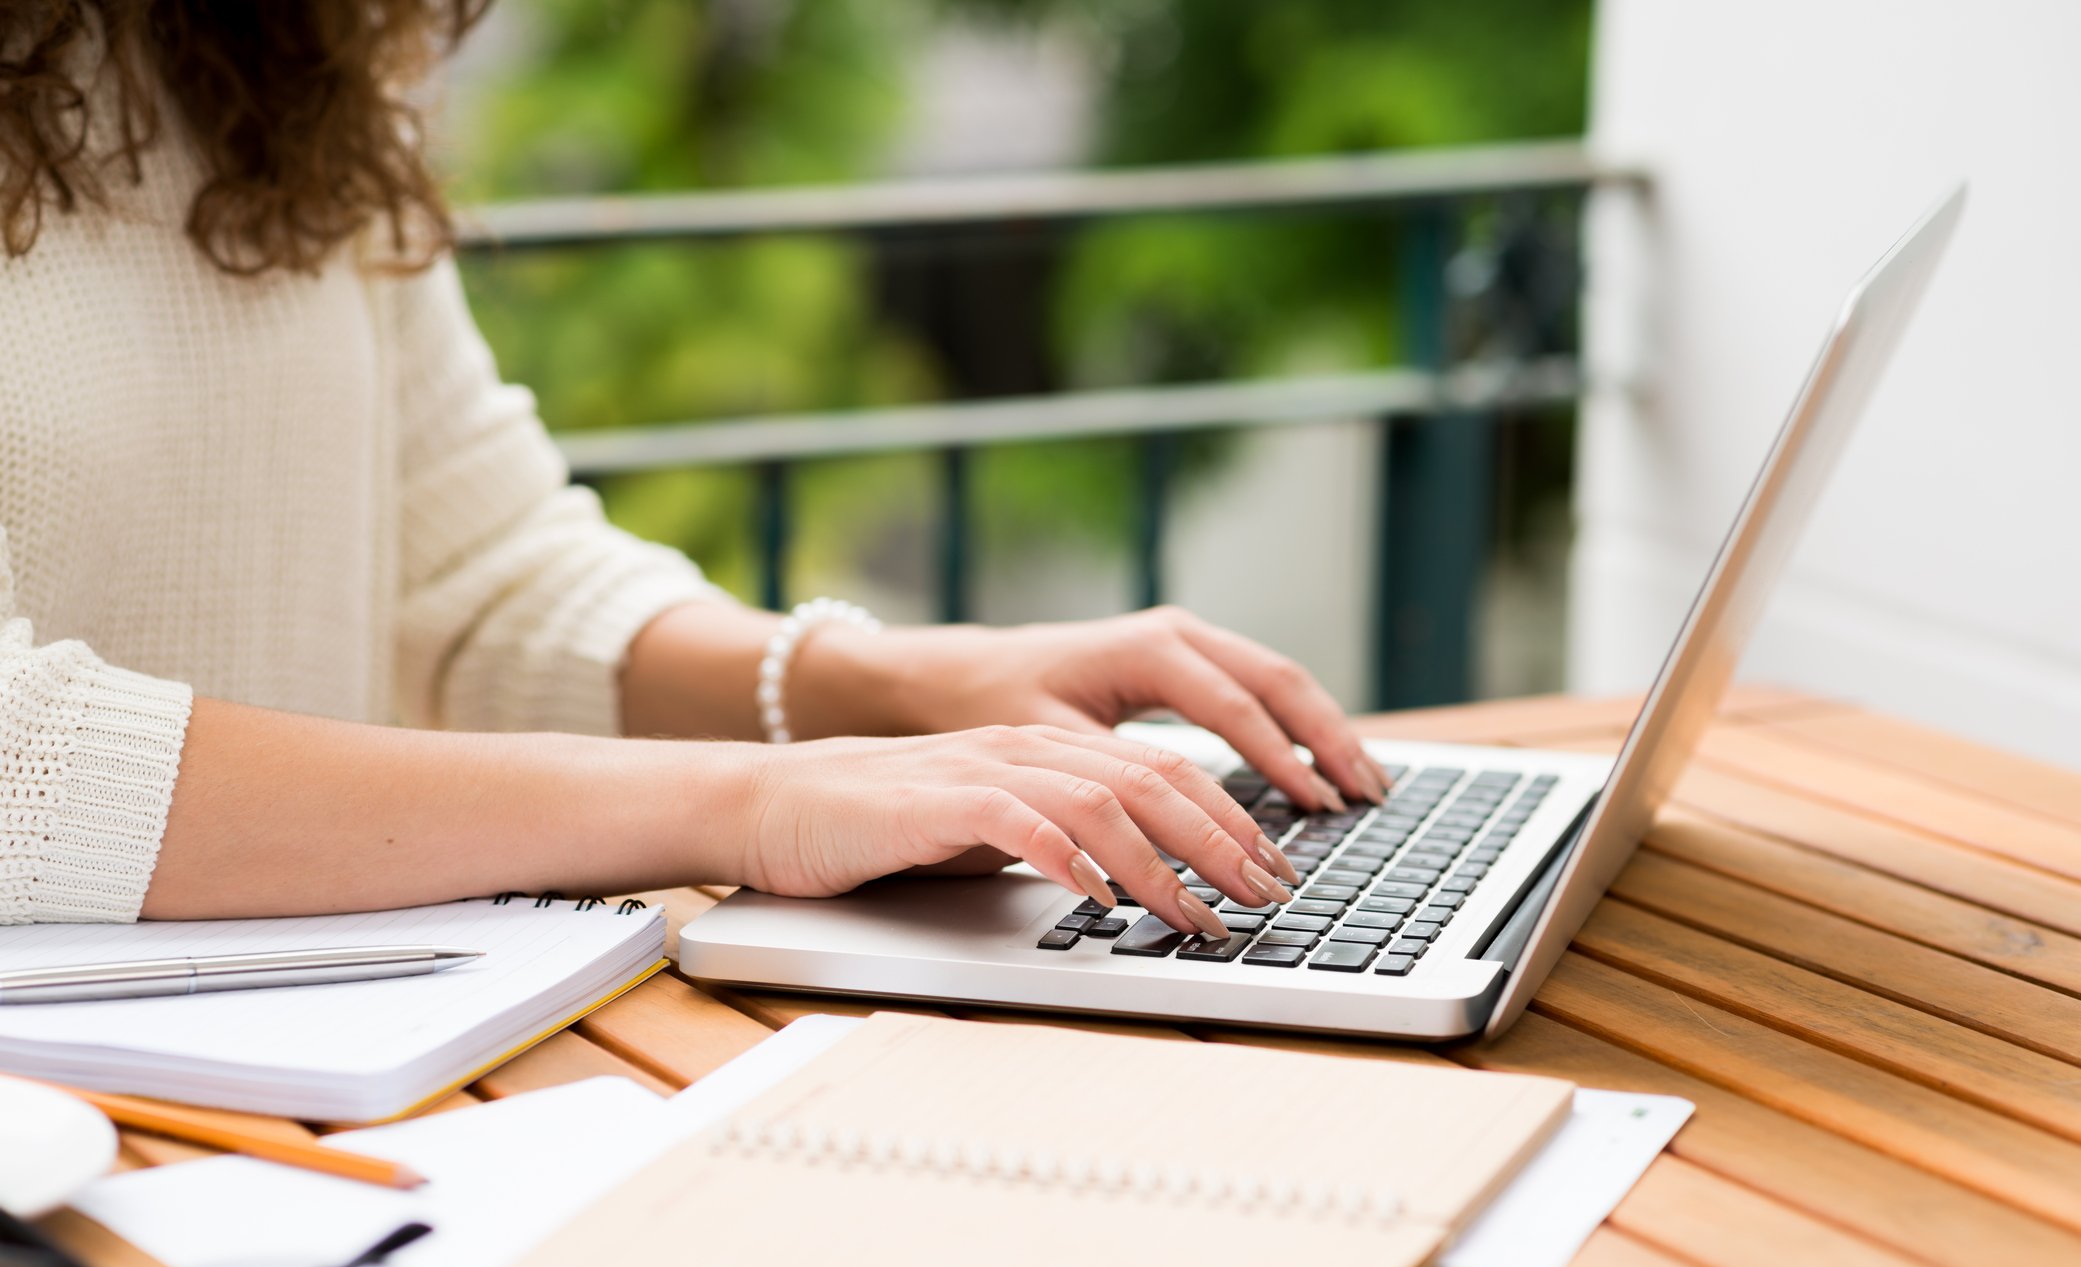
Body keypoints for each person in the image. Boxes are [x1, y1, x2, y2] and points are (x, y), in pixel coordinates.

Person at [0, 0, 1384, 943]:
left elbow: (480, 574)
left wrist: (891, 691)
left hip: (312, 1033)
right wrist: (749, 801)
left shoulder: (277, 50)